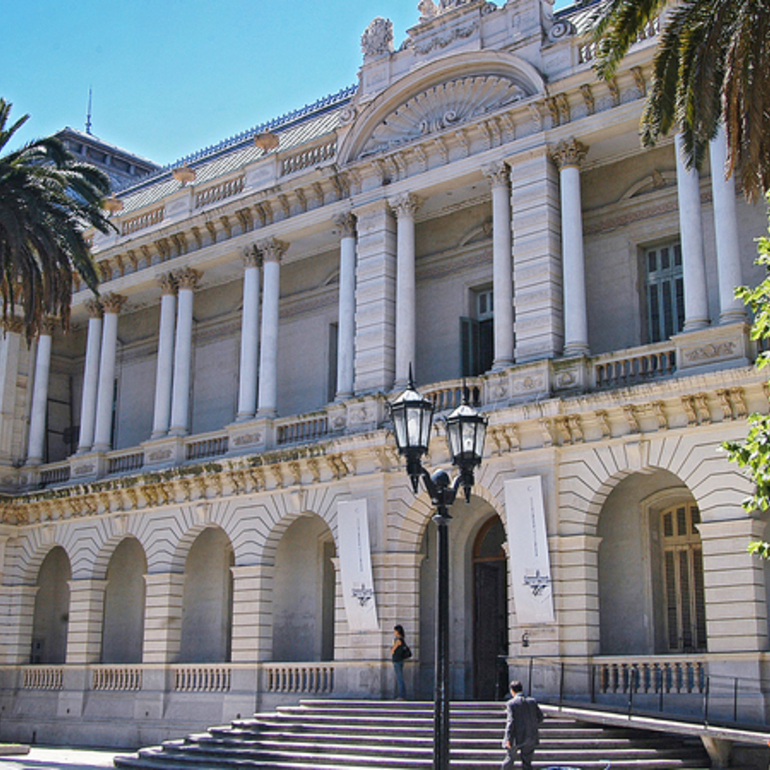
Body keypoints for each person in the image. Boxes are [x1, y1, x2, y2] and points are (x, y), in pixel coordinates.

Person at [500, 680, 544, 770]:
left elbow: (511, 721)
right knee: (527, 763)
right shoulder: (532, 701)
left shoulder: (511, 703)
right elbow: (540, 717)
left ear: (512, 690)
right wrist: (532, 725)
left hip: (516, 737)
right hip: (531, 736)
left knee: (509, 760)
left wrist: (508, 738)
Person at [390, 624, 408, 700]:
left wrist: (392, 649)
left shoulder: (398, 640)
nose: (394, 632)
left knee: (399, 678)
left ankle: (401, 695)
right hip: (399, 660)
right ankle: (401, 695)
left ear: (397, 631)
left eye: (395, 631)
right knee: (399, 678)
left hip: (397, 661)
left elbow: (392, 650)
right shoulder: (402, 639)